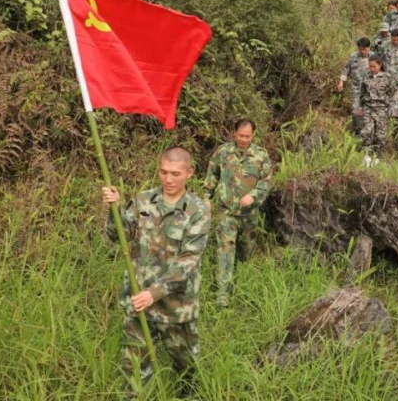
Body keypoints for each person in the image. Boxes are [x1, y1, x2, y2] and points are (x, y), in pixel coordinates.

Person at [102, 147, 210, 398]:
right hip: (139, 301)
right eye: (163, 172)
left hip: (176, 307)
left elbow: (188, 261)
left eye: (175, 173)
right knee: (134, 371)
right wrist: (114, 210)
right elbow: (118, 235)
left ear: (189, 173)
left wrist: (155, 292)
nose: (168, 179)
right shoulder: (143, 201)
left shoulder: (197, 211)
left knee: (187, 373)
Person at [203, 119, 273, 307]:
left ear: (253, 135)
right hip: (227, 212)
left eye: (247, 136)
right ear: (234, 133)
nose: (243, 139)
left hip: (249, 215)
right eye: (241, 135)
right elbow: (212, 174)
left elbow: (266, 182)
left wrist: (254, 196)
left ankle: (243, 284)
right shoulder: (223, 152)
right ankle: (222, 294)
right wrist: (206, 197)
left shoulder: (261, 156)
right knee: (225, 250)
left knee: (245, 253)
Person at [356, 54, 396, 159]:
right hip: (368, 107)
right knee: (367, 132)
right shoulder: (366, 76)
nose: (372, 69)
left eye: (374, 66)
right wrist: (360, 107)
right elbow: (362, 92)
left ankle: (378, 157)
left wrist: (390, 106)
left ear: (380, 65)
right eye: (370, 66)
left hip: (381, 109)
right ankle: (366, 155)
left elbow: (392, 92)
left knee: (380, 135)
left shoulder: (387, 77)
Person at [336, 38, 372, 133]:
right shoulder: (353, 56)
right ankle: (357, 131)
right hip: (356, 88)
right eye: (361, 49)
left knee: (367, 110)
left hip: (369, 89)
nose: (363, 51)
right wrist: (341, 82)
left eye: (365, 49)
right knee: (356, 109)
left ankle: (367, 132)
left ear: (369, 48)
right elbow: (346, 69)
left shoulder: (374, 57)